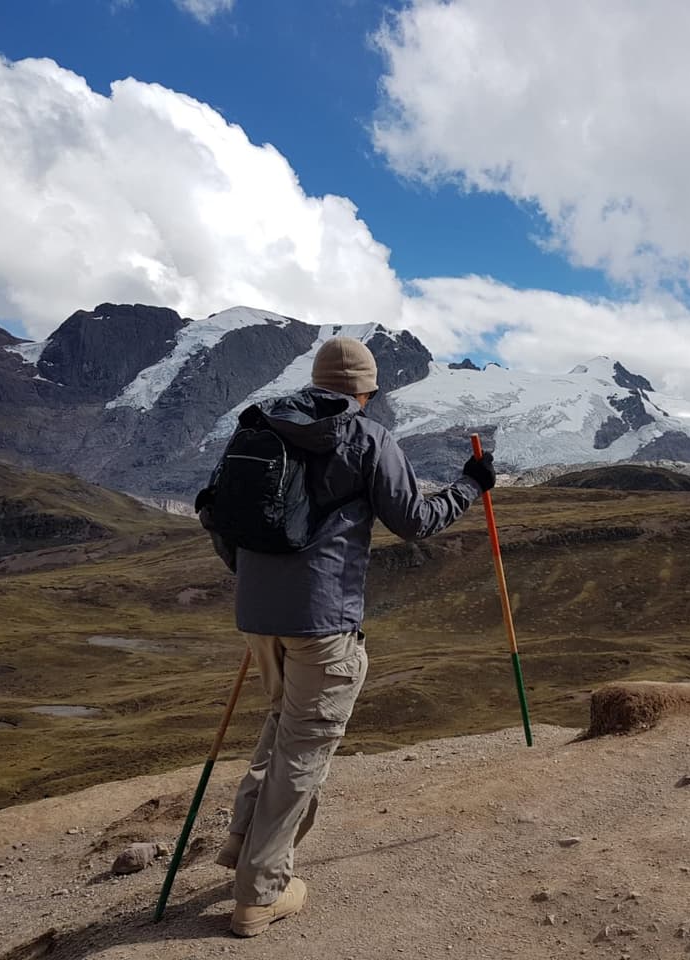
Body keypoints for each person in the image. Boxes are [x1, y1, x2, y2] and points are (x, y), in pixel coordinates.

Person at [209, 335, 496, 938]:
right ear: (366, 390)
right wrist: (472, 485)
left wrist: (258, 582)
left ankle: (240, 841)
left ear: (314, 379)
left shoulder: (258, 424)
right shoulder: (367, 437)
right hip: (322, 619)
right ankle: (260, 894)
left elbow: (220, 513)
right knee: (304, 748)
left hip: (258, 614)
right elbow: (415, 520)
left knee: (283, 722)